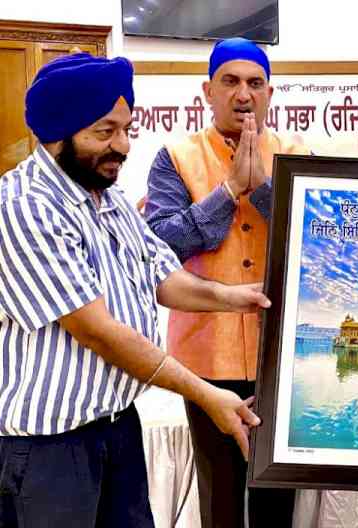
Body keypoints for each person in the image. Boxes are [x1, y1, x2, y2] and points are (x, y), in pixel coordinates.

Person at [0, 53, 269, 527]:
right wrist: (206, 393)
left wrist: (238, 296)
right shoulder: (26, 208)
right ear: (57, 136)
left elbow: (163, 276)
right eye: (105, 133)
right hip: (49, 450)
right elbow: (99, 331)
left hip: (117, 429)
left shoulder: (110, 199)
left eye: (127, 129)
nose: (122, 146)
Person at [144, 38, 308, 527]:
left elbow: (312, 238)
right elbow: (160, 246)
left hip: (280, 353)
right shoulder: (175, 158)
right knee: (220, 500)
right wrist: (229, 190)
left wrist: (262, 188)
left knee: (277, 497)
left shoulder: (295, 153)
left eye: (254, 83)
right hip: (205, 355)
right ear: (207, 92)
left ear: (269, 93)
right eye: (230, 82)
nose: (243, 94)